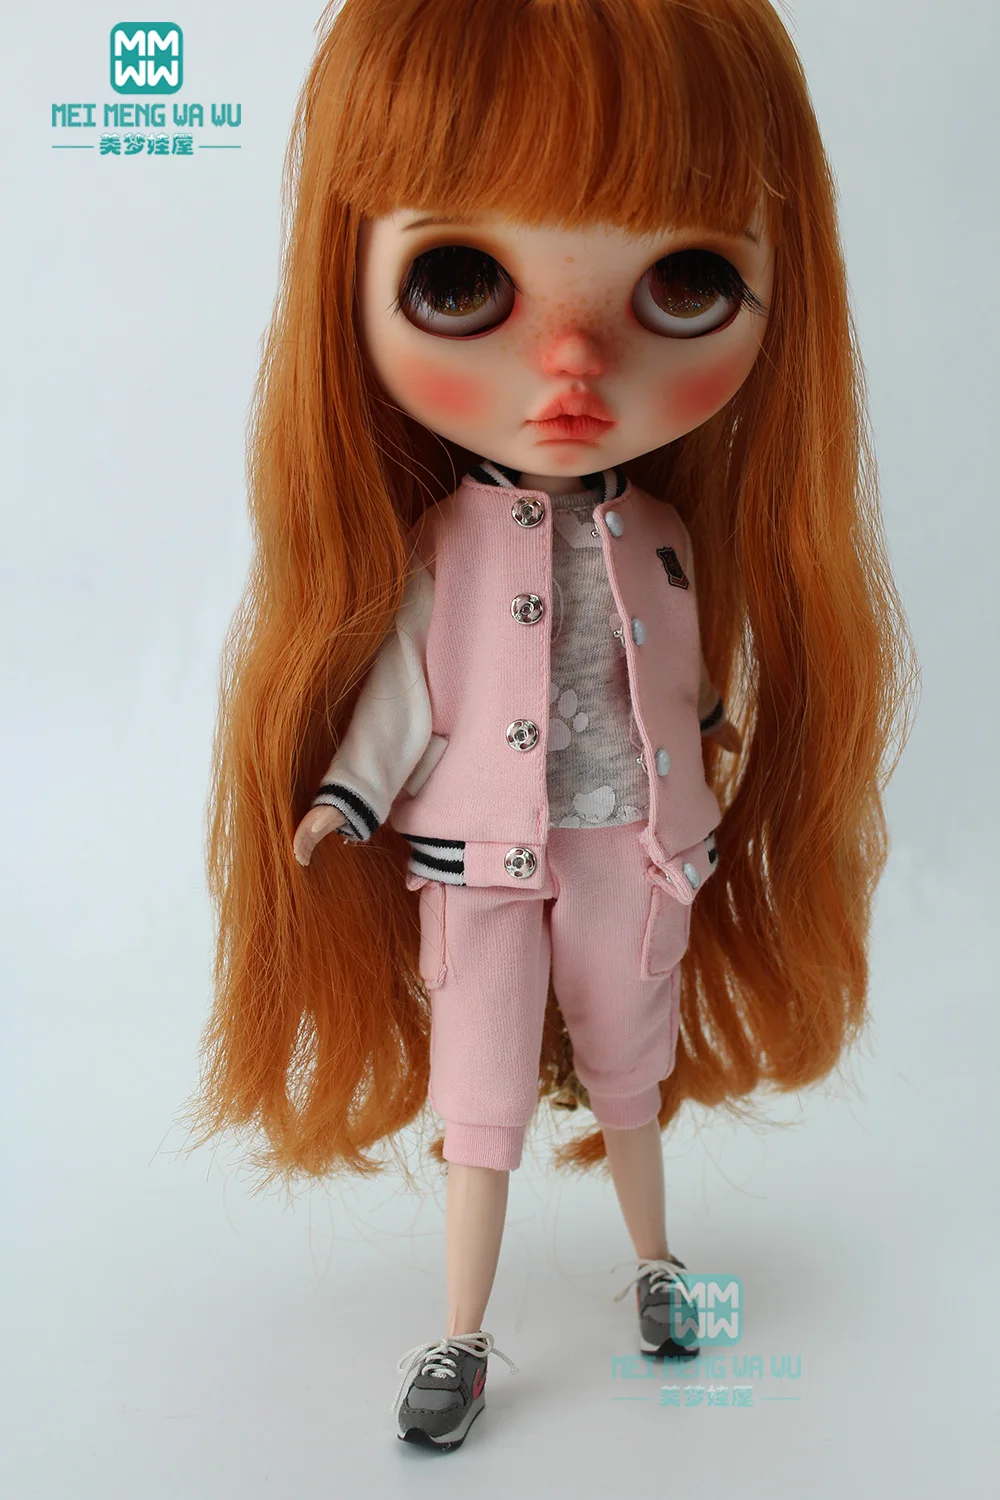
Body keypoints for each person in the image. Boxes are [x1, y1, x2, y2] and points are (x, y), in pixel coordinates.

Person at [185, 0, 918, 1451]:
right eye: (462, 280)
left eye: (685, 282)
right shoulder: (444, 545)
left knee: (632, 1069)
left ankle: (658, 1268)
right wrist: (346, 795)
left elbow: (684, 672)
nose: (573, 365)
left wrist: (709, 735)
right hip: (477, 859)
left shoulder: (667, 536)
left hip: (630, 846)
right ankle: (459, 1335)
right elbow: (409, 689)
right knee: (480, 1097)